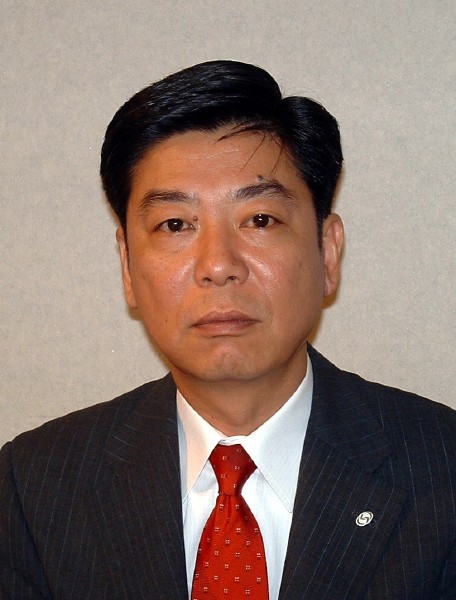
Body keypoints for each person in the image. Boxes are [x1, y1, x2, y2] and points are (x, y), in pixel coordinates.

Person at [0, 60, 455, 600]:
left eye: (260, 220)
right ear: (127, 265)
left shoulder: (443, 471)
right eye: (175, 224)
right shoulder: (34, 487)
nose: (218, 265)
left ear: (328, 251)